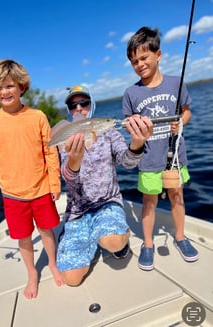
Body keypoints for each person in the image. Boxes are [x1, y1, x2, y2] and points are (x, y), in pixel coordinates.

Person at [0, 59, 64, 298]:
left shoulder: (38, 116)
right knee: (24, 239)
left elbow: (50, 151)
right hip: (12, 196)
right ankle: (32, 274)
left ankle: (53, 264)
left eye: (9, 86)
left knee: (47, 232)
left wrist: (54, 182)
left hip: (40, 190)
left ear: (21, 87)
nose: (4, 92)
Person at [56, 85, 153, 286]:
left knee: (113, 241)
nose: (79, 108)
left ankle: (112, 239)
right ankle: (88, 236)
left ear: (92, 105)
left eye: (84, 103)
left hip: (107, 202)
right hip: (77, 211)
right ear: (68, 109)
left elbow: (127, 162)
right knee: (71, 279)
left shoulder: (109, 132)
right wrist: (74, 160)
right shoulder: (64, 138)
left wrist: (137, 142)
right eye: (73, 105)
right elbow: (65, 176)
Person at [122, 26, 199, 271]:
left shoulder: (177, 84)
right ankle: (147, 244)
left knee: (178, 197)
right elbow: (129, 126)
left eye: (144, 57)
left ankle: (180, 237)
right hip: (149, 160)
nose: (139, 64)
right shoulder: (131, 93)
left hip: (175, 157)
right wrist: (136, 130)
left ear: (158, 54)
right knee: (149, 202)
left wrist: (181, 122)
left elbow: (187, 112)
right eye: (134, 61)